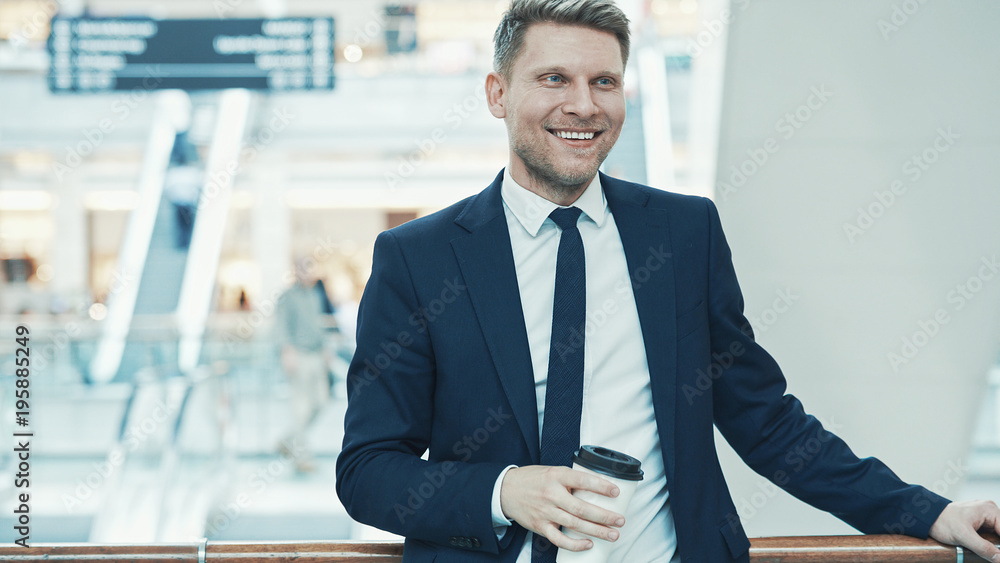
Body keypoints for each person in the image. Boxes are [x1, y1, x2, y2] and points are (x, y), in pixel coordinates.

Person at [336, 1, 1000, 562]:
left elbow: (769, 424)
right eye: (554, 78)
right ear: (497, 93)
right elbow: (368, 470)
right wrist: (502, 489)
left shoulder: (684, 235)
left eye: (604, 82)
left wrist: (931, 512)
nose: (582, 105)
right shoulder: (418, 259)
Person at [275, 257, 331, 472]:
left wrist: (326, 350)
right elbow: (282, 326)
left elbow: (319, 325)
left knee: (320, 402)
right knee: (301, 408)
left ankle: (288, 440)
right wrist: (287, 352)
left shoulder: (315, 295)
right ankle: (301, 457)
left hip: (316, 355)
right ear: (296, 271)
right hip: (299, 355)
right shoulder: (287, 297)